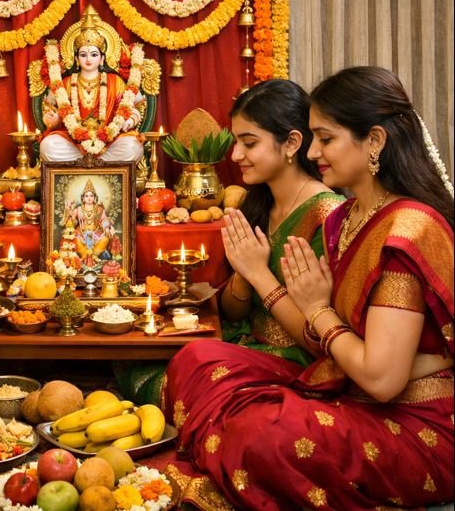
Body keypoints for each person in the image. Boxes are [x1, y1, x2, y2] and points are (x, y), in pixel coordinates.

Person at [163, 66, 453, 509]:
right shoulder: (346, 219)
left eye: (326, 138)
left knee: (262, 435)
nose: (314, 150)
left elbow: (381, 379)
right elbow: (338, 348)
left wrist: (317, 309)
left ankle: (234, 452)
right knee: (196, 359)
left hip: (411, 418)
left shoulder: (407, 230)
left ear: (374, 141)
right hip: (343, 383)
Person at [220, 79, 343, 366]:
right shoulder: (257, 204)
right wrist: (243, 275)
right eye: (236, 142)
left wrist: (259, 274)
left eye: (249, 143)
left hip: (299, 360)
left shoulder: (327, 214)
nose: (236, 155)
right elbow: (233, 314)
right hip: (249, 343)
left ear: (291, 143)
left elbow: (318, 334)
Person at [39, 18, 144, 163]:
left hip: (110, 142)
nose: (88, 59)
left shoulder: (115, 81)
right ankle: (89, 162)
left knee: (133, 147)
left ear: (102, 59)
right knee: (48, 146)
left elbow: (131, 109)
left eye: (94, 55)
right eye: (83, 55)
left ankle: (94, 162)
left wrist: (131, 120)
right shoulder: (65, 83)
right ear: (76, 59)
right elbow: (50, 110)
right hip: (73, 143)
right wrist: (55, 120)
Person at [61, 179, 116, 267]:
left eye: (91, 196)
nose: (89, 198)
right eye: (86, 196)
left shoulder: (99, 209)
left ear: (95, 197)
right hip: (82, 233)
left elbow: (104, 220)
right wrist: (70, 213)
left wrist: (106, 228)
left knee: (105, 238)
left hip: (96, 233)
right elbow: (71, 223)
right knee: (75, 239)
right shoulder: (79, 209)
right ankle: (84, 256)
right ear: (83, 198)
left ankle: (94, 256)